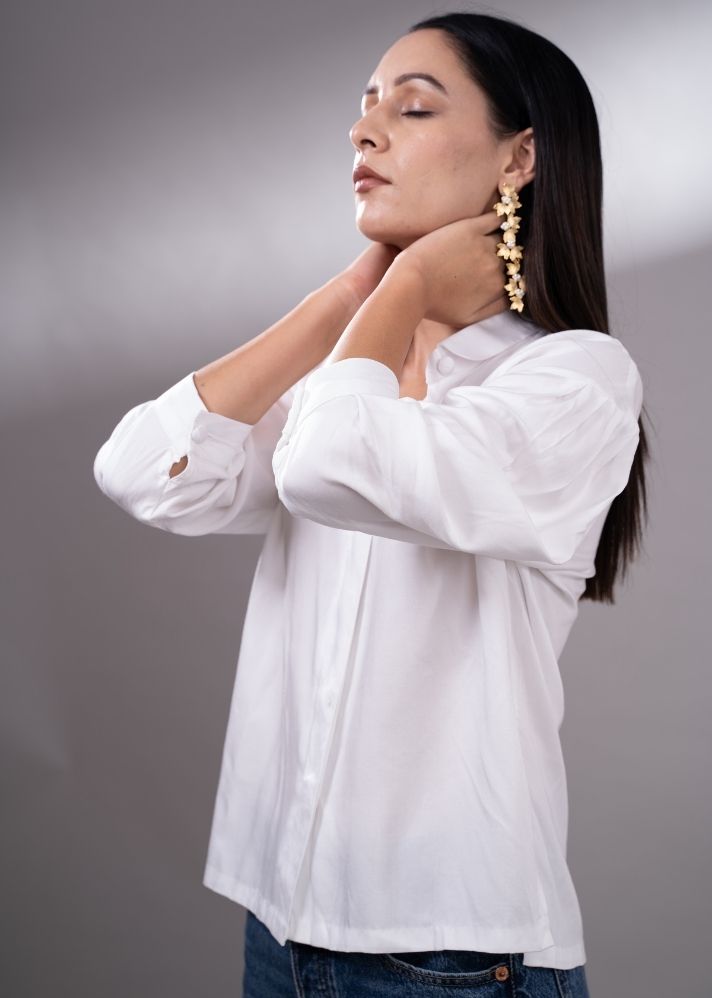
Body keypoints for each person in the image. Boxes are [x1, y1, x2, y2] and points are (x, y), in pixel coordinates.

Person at [93, 10, 649, 997]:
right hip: (282, 926)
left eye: (413, 107)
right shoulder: (343, 375)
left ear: (518, 158)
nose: (364, 130)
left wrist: (412, 281)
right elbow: (141, 472)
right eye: (364, 107)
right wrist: (347, 297)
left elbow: (327, 464)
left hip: (450, 957)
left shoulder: (572, 381)